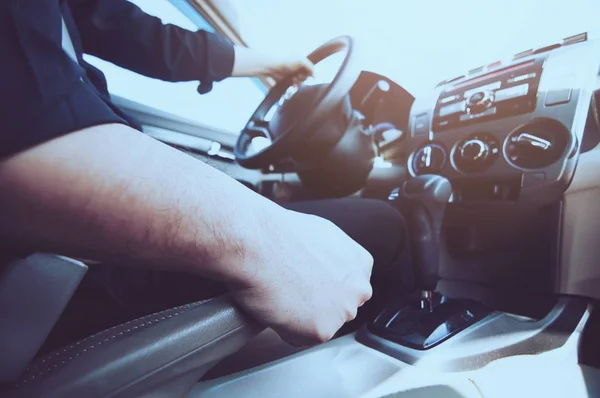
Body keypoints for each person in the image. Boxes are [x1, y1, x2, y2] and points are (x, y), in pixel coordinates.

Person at [0, 0, 410, 355]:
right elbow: (29, 136)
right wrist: (267, 240)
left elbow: (142, 36)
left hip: (54, 279)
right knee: (384, 224)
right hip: (47, 293)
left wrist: (271, 63)